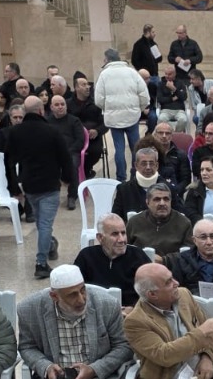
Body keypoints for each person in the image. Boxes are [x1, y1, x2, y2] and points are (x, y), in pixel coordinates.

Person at [4, 96, 75, 280]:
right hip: (50, 184)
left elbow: (8, 161)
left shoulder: (15, 132)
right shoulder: (52, 131)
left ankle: (50, 244)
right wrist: (67, 179)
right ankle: (41, 263)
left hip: (29, 185)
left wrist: (13, 186)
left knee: (41, 222)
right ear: (42, 110)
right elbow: (65, 158)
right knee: (44, 224)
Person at [94, 48, 150, 181]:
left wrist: (108, 109)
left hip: (114, 119)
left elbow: (98, 100)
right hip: (132, 116)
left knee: (119, 149)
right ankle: (136, 175)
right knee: (135, 147)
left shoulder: (104, 74)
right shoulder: (132, 72)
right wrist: (139, 109)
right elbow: (144, 96)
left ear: (107, 59)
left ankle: (121, 178)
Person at [75, 214, 145, 307]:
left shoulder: (138, 256)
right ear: (100, 238)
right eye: (115, 234)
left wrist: (133, 309)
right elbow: (75, 289)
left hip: (130, 312)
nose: (121, 239)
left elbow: (151, 293)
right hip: (95, 310)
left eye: (123, 233)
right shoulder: (86, 256)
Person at [128, 182, 192, 255]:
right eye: (157, 199)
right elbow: (125, 249)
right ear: (147, 202)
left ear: (170, 201)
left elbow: (189, 254)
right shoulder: (134, 222)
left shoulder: (184, 224)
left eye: (166, 199)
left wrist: (165, 259)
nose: (162, 203)